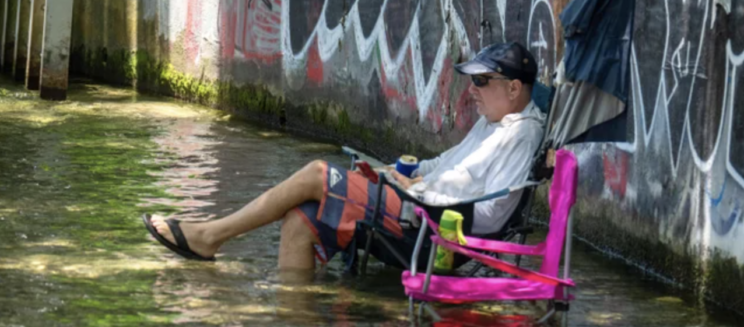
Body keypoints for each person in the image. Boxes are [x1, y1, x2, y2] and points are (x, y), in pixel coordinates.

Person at [143, 42, 545, 270]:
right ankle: (295, 316)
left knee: (317, 174)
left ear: (513, 88)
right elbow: (448, 163)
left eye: (480, 81)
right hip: (418, 207)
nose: (470, 90)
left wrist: (420, 190)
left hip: (438, 233)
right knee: (300, 220)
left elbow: (489, 214)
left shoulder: (521, 133)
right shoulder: (493, 121)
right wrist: (406, 173)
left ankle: (211, 235)